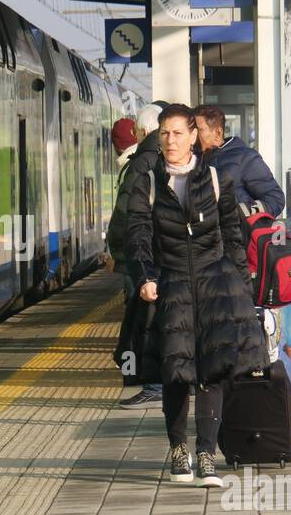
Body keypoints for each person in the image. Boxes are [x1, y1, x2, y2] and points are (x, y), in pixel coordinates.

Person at [126, 104, 268, 486]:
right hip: (171, 284)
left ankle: (207, 453)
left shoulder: (217, 179)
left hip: (214, 285)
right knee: (176, 371)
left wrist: (242, 287)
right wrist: (145, 277)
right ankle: (178, 451)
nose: (169, 141)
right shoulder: (150, 181)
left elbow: (233, 237)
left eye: (177, 133)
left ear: (193, 136)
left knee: (212, 371)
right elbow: (137, 234)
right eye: (164, 133)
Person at [109, 100, 169, 409]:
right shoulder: (159, 158)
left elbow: (126, 215)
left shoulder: (141, 162)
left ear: (142, 130)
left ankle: (146, 381)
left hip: (140, 257)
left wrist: (117, 248)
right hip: (154, 255)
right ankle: (145, 379)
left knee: (141, 322)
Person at [193, 105, 286, 216]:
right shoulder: (192, 160)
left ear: (218, 133)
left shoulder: (245, 158)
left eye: (198, 130)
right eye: (190, 130)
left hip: (237, 231)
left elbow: (275, 199)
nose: (193, 135)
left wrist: (236, 214)